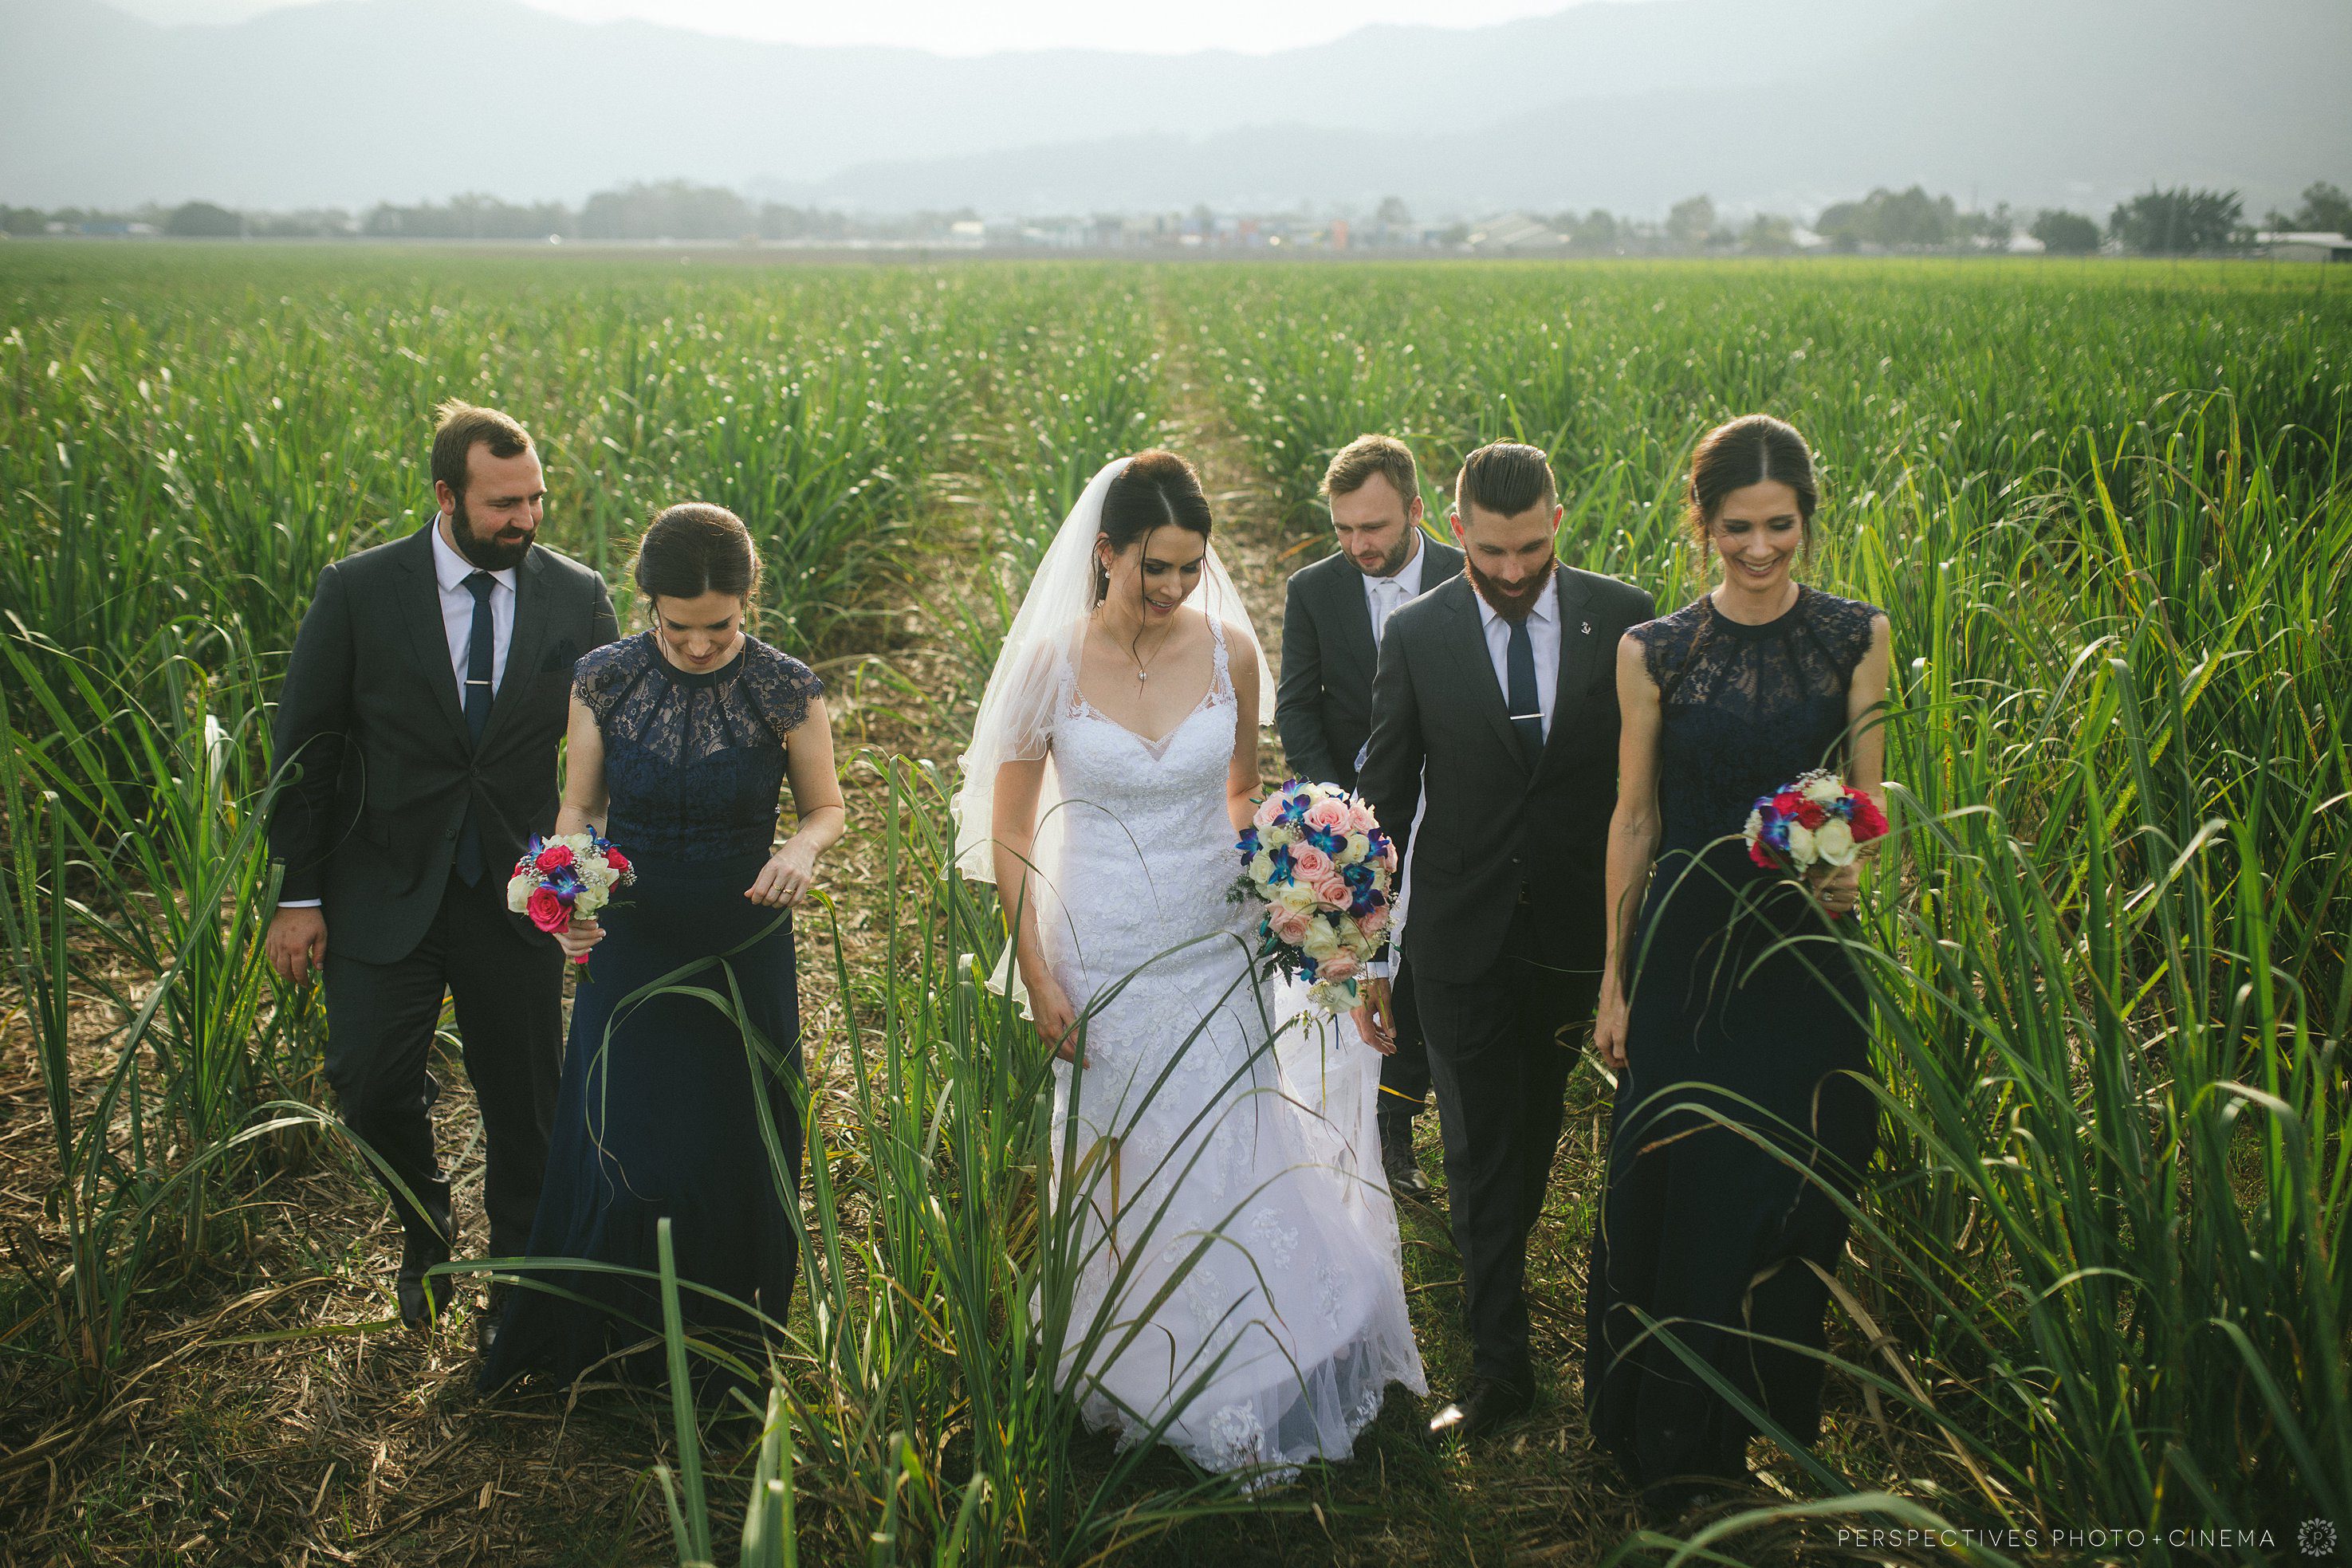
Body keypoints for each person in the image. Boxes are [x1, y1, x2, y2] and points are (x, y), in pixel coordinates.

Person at [952, 451, 1425, 1482]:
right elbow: (1012, 836)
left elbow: (1239, 795)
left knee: (1231, 1129)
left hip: (1214, 940)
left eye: (1189, 567)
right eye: (1152, 568)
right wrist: (1037, 974)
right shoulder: (1048, 665)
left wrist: (1309, 873)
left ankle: (1251, 1354)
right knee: (1120, 1159)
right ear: (1106, 552)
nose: (1171, 588)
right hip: (1103, 943)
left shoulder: (1229, 651)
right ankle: (1129, 1357)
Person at [1584, 415, 1890, 1519]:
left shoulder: (1856, 636)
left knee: (1798, 1184)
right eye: (1735, 529)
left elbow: (1863, 799)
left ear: (1806, 519)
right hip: (1683, 951)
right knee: (1682, 1183)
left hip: (1803, 955)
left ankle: (1767, 1426)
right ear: (1701, 522)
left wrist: (1847, 861)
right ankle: (1672, 1438)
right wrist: (1614, 978)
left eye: (1779, 527)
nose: (1758, 549)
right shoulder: (1656, 648)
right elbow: (1633, 816)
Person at [265, 402, 617, 1334]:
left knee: (526, 1107)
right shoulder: (359, 590)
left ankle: (515, 1297)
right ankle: (426, 1229)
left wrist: (580, 879)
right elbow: (306, 746)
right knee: (370, 1084)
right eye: (504, 502)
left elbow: (603, 756)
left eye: (536, 498)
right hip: (379, 882)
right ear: (445, 495)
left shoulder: (576, 595)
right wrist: (297, 893)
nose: (525, 519)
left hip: (519, 893)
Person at [480, 503, 842, 1393]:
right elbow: (580, 808)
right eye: (676, 627)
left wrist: (796, 850)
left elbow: (825, 807)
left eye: (719, 626)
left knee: (726, 1142)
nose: (697, 645)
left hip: (741, 936)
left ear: (748, 601)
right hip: (631, 934)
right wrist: (571, 893)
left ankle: (720, 1349)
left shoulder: (785, 685)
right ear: (647, 604)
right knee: (624, 1130)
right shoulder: (604, 676)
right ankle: (606, 1344)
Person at [1355, 441, 1655, 1444]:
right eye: (1491, 550)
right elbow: (1385, 796)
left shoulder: (1625, 616)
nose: (1514, 569)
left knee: (1530, 1153)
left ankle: (1577, 1324)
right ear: (1453, 528)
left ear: (1558, 522)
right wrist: (1366, 950)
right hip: (1462, 936)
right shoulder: (1418, 632)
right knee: (1480, 1154)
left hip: (1586, 939)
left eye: (1531, 547)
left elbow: (1647, 787)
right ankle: (1500, 1369)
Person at [1275, 434, 1462, 1200]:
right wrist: (1338, 811)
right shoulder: (1313, 590)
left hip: (1450, 809)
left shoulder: (1466, 575)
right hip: (1350, 817)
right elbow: (1297, 705)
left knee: (1422, 967)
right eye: (1345, 528)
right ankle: (1359, 1120)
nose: (1358, 545)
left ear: (1416, 511)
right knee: (1360, 963)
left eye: (1375, 528)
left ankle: (1400, 1123)